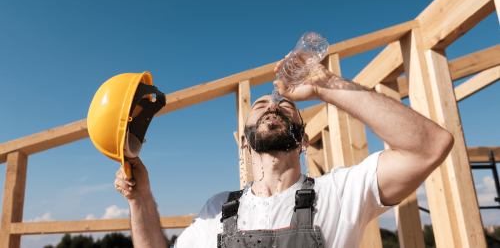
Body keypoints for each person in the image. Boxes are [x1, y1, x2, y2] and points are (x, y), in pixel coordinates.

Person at [114, 54, 454, 248]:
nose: (272, 106)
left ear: (304, 140)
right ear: (244, 142)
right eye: (259, 105)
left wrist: (326, 85)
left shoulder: (339, 192)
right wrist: (141, 199)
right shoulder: (218, 209)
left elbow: (428, 147)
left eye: (284, 105)